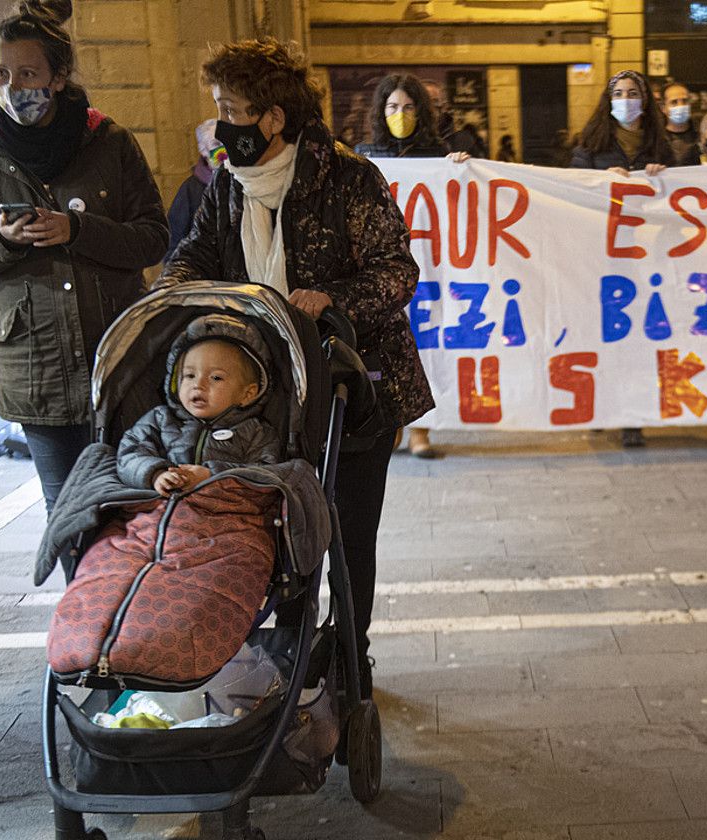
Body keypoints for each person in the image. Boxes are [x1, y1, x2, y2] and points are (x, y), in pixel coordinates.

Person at [160, 38, 434, 696]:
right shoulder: (231, 183)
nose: (222, 123)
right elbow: (194, 255)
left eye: (232, 108)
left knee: (345, 531)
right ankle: (287, 653)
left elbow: (398, 272)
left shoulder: (348, 178)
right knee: (278, 522)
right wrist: (178, 287)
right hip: (267, 396)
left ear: (274, 116)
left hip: (353, 391)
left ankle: (350, 657)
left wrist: (332, 299)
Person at [0, 0, 168, 512]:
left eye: (27, 73)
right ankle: (80, 597)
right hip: (35, 371)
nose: (12, 87)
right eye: (3, 73)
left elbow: (154, 237)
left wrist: (77, 230)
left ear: (58, 76)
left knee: (130, 510)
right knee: (66, 515)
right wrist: (1, 239)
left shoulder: (108, 141)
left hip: (117, 363)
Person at [356, 73, 466, 460]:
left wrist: (459, 170)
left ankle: (422, 431)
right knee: (383, 348)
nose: (399, 114)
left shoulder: (438, 154)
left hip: (428, 266)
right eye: (392, 107)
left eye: (407, 107)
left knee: (423, 347)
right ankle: (394, 424)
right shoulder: (362, 156)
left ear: (420, 112)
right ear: (380, 112)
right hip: (378, 268)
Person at [569, 70, 675, 448]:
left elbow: (681, 198)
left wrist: (667, 177)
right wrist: (600, 180)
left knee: (637, 339)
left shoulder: (660, 149)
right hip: (603, 259)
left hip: (647, 259)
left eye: (633, 92)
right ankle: (604, 406)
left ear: (645, 101)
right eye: (619, 92)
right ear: (608, 99)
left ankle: (631, 416)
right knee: (605, 336)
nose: (626, 98)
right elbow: (574, 190)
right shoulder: (590, 147)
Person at [117, 316, 280, 496]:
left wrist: (212, 475)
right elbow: (129, 454)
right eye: (189, 375)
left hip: (223, 512)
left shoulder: (256, 433)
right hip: (161, 508)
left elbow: (266, 476)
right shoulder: (160, 420)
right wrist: (155, 474)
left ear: (247, 394)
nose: (198, 384)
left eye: (216, 378)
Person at [165, 119, 226, 259]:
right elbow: (174, 242)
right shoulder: (190, 191)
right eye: (216, 144)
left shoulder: (245, 181)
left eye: (225, 142)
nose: (223, 149)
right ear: (204, 150)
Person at [661, 82, 698, 165]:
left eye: (685, 101)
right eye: (674, 102)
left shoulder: (701, 135)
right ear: (663, 108)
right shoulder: (655, 139)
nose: (680, 106)